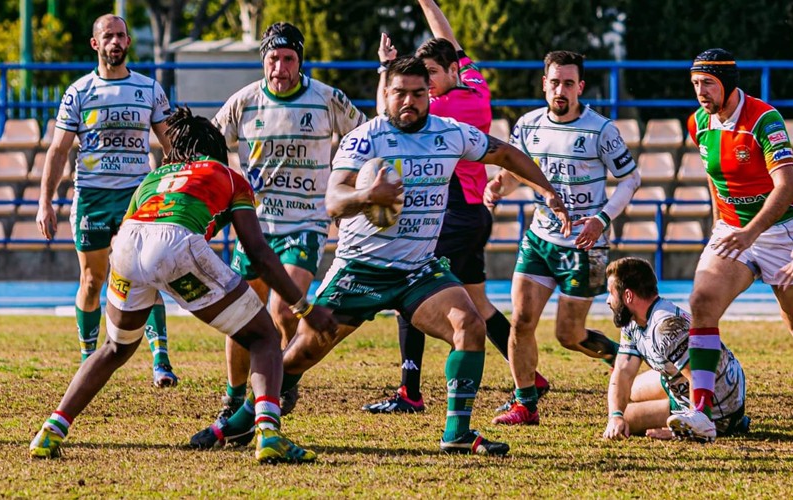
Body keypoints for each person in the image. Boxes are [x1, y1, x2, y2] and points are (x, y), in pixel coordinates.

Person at [192, 56, 571, 456]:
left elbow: (506, 154)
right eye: (400, 93)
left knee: (469, 325)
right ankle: (238, 423)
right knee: (302, 353)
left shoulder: (452, 134)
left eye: (418, 93)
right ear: (385, 94)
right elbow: (334, 200)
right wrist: (366, 196)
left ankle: (457, 432)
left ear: (430, 94)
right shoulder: (365, 138)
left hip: (418, 272)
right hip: (361, 269)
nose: (409, 101)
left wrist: (546, 192)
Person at [29, 107, 337, 463]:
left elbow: (134, 232)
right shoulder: (229, 175)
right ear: (216, 149)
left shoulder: (153, 177)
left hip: (126, 246)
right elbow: (258, 252)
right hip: (175, 246)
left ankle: (51, 429)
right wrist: (304, 308)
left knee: (115, 347)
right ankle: (268, 433)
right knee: (264, 337)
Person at [362, 0, 549, 415]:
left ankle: (410, 391)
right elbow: (449, 39)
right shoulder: (474, 85)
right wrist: (428, 3)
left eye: (429, 76)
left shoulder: (446, 108)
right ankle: (529, 375)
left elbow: (385, 116)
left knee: (410, 289)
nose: (423, 87)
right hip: (469, 214)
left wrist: (384, 70)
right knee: (479, 303)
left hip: (458, 214)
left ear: (450, 73)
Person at [201, 21, 366, 435]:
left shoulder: (328, 99)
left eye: (288, 58)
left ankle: (281, 382)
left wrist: (362, 185)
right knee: (239, 312)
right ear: (264, 60)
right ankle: (234, 396)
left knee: (281, 307)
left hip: (306, 223)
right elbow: (209, 148)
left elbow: (366, 138)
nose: (280, 67)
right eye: (273, 58)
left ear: (300, 61)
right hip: (256, 225)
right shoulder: (244, 102)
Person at [484, 50, 641, 425]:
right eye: (554, 82)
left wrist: (602, 219)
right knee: (521, 321)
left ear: (580, 87)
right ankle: (525, 404)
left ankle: (624, 358)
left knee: (569, 335)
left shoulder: (601, 130)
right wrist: (497, 187)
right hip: (540, 238)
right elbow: (514, 170)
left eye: (569, 83)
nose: (561, 90)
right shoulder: (527, 125)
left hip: (585, 247)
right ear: (544, 84)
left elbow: (631, 179)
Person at [35, 14, 179, 387]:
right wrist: (45, 202)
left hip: (137, 197)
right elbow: (58, 149)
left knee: (146, 274)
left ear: (128, 43)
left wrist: (169, 185)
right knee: (91, 279)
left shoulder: (148, 89)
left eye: (121, 36)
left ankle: (160, 359)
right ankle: (89, 359)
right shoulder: (79, 92)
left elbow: (170, 144)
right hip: (93, 198)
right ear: (95, 44)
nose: (115, 42)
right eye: (108, 36)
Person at [666, 48, 793, 441]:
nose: (700, 91)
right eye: (695, 84)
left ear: (728, 83)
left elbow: (787, 185)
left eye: (708, 83)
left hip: (780, 234)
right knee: (701, 303)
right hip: (734, 233)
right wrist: (718, 222)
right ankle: (702, 411)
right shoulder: (698, 123)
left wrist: (751, 233)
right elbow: (713, 173)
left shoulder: (764, 118)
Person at [600, 257, 749, 442]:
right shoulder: (632, 320)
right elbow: (623, 371)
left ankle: (720, 423)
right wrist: (615, 415)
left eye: (610, 293)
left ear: (628, 296)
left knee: (628, 418)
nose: (607, 301)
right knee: (627, 398)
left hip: (719, 403)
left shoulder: (666, 328)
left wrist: (683, 429)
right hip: (681, 383)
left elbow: (698, 375)